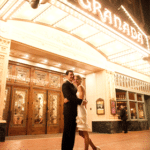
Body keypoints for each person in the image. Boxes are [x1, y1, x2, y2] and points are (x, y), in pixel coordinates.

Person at [65, 75, 100, 150]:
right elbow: (82, 100)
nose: (75, 80)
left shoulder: (80, 87)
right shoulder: (77, 88)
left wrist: (69, 100)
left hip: (80, 111)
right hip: (78, 110)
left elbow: (80, 100)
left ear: (81, 80)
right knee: (81, 133)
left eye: (77, 79)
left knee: (84, 133)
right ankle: (94, 148)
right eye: (74, 79)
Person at [61, 70, 83, 150]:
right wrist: (80, 101)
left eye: (73, 75)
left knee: (72, 132)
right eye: (70, 75)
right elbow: (69, 96)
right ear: (66, 75)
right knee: (67, 131)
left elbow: (73, 97)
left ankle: (70, 148)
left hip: (74, 111)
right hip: (68, 111)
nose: (72, 76)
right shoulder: (65, 85)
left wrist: (78, 100)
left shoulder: (74, 86)